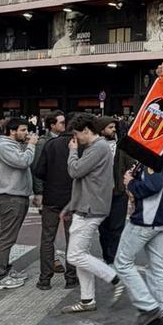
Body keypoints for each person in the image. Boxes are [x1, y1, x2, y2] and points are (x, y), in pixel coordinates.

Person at [114, 150, 163, 325]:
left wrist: (131, 184)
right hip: (161, 216)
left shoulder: (153, 153)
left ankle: (148, 306)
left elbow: (153, 184)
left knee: (122, 262)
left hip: (147, 217)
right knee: (156, 264)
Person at [61, 115, 116, 313]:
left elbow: (75, 171)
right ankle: (87, 300)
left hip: (91, 208)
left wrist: (73, 152)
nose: (75, 139)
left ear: (86, 130)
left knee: (75, 255)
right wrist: (71, 205)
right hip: (85, 206)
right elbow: (84, 181)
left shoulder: (98, 148)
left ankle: (113, 277)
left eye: (76, 134)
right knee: (81, 254)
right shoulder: (97, 148)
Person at [32, 111, 77, 291]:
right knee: (72, 239)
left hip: (51, 199)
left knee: (47, 238)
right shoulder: (79, 146)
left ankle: (45, 279)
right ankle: (71, 278)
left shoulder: (50, 144)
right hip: (71, 199)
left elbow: (39, 171)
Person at [0, 118, 37, 289]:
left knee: (9, 236)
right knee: (6, 237)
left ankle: (5, 269)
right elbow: (23, 162)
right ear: (12, 131)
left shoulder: (13, 145)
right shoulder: (4, 146)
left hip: (17, 195)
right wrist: (31, 145)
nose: (27, 133)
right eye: (23, 130)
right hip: (10, 197)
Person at [98, 117, 131, 265]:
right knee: (103, 228)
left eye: (114, 127)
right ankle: (107, 256)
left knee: (117, 227)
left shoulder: (122, 145)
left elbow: (130, 166)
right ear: (101, 129)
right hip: (100, 194)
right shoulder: (94, 146)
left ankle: (114, 258)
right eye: (110, 127)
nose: (114, 130)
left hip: (119, 192)